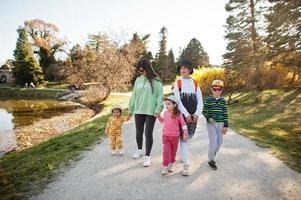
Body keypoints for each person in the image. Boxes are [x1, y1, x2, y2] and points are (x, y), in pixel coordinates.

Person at [128, 58, 164, 167]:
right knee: (138, 131)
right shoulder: (138, 80)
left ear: (148, 69)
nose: (141, 73)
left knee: (148, 133)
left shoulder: (156, 81)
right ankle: (139, 150)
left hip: (150, 111)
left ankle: (147, 156)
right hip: (138, 110)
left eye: (143, 70)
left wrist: (158, 109)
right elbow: (134, 96)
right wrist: (130, 110)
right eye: (140, 71)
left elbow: (160, 97)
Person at [174, 60, 203, 176]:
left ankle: (183, 155)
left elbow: (200, 100)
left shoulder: (195, 83)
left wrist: (196, 114)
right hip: (181, 116)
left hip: (193, 117)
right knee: (183, 138)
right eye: (181, 68)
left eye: (185, 68)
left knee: (187, 137)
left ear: (190, 69)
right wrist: (186, 114)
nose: (182, 70)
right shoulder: (178, 83)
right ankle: (186, 163)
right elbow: (177, 101)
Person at [157, 95, 188, 175]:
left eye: (169, 104)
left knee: (173, 152)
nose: (167, 105)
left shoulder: (178, 114)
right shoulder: (165, 113)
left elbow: (183, 124)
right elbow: (163, 122)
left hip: (175, 137)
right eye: (166, 104)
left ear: (174, 105)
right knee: (166, 151)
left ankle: (171, 163)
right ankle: (165, 166)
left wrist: (185, 133)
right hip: (165, 136)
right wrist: (158, 117)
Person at [203, 80, 228, 170]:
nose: (217, 91)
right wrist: (208, 118)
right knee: (213, 142)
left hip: (221, 124)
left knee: (219, 142)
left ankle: (212, 154)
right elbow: (204, 111)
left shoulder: (223, 101)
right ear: (211, 89)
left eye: (219, 89)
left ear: (222, 90)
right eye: (215, 88)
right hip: (211, 124)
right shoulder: (208, 100)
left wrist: (226, 126)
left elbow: (225, 113)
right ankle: (211, 160)